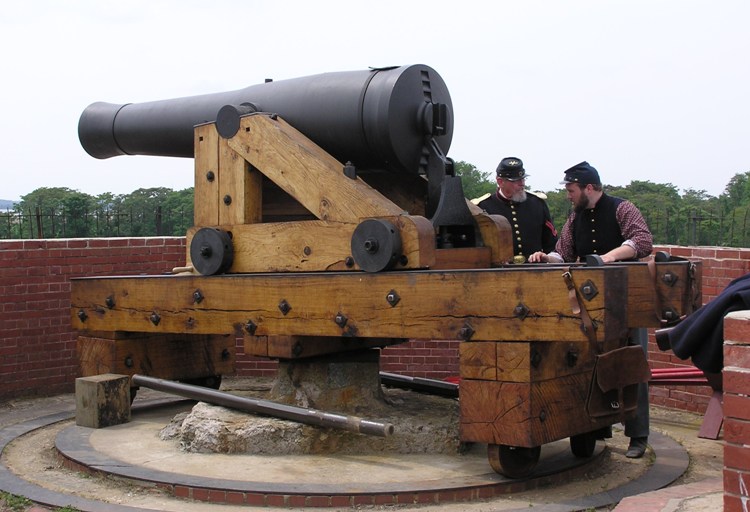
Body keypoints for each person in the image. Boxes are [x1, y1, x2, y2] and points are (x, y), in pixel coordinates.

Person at [528, 161, 653, 459]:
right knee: (591, 364)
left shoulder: (623, 208)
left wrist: (608, 257)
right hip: (592, 303)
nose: (568, 195)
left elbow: (642, 241)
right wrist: (547, 258)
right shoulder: (575, 217)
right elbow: (565, 251)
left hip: (626, 300)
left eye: (571, 190)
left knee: (631, 364)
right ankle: (597, 426)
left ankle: (638, 436)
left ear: (588, 187)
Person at [476, 157, 558, 263]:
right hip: (499, 273)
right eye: (515, 181)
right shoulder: (484, 206)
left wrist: (546, 257)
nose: (522, 183)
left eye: (523, 179)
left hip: (536, 270)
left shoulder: (537, 203)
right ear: (500, 182)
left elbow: (552, 244)